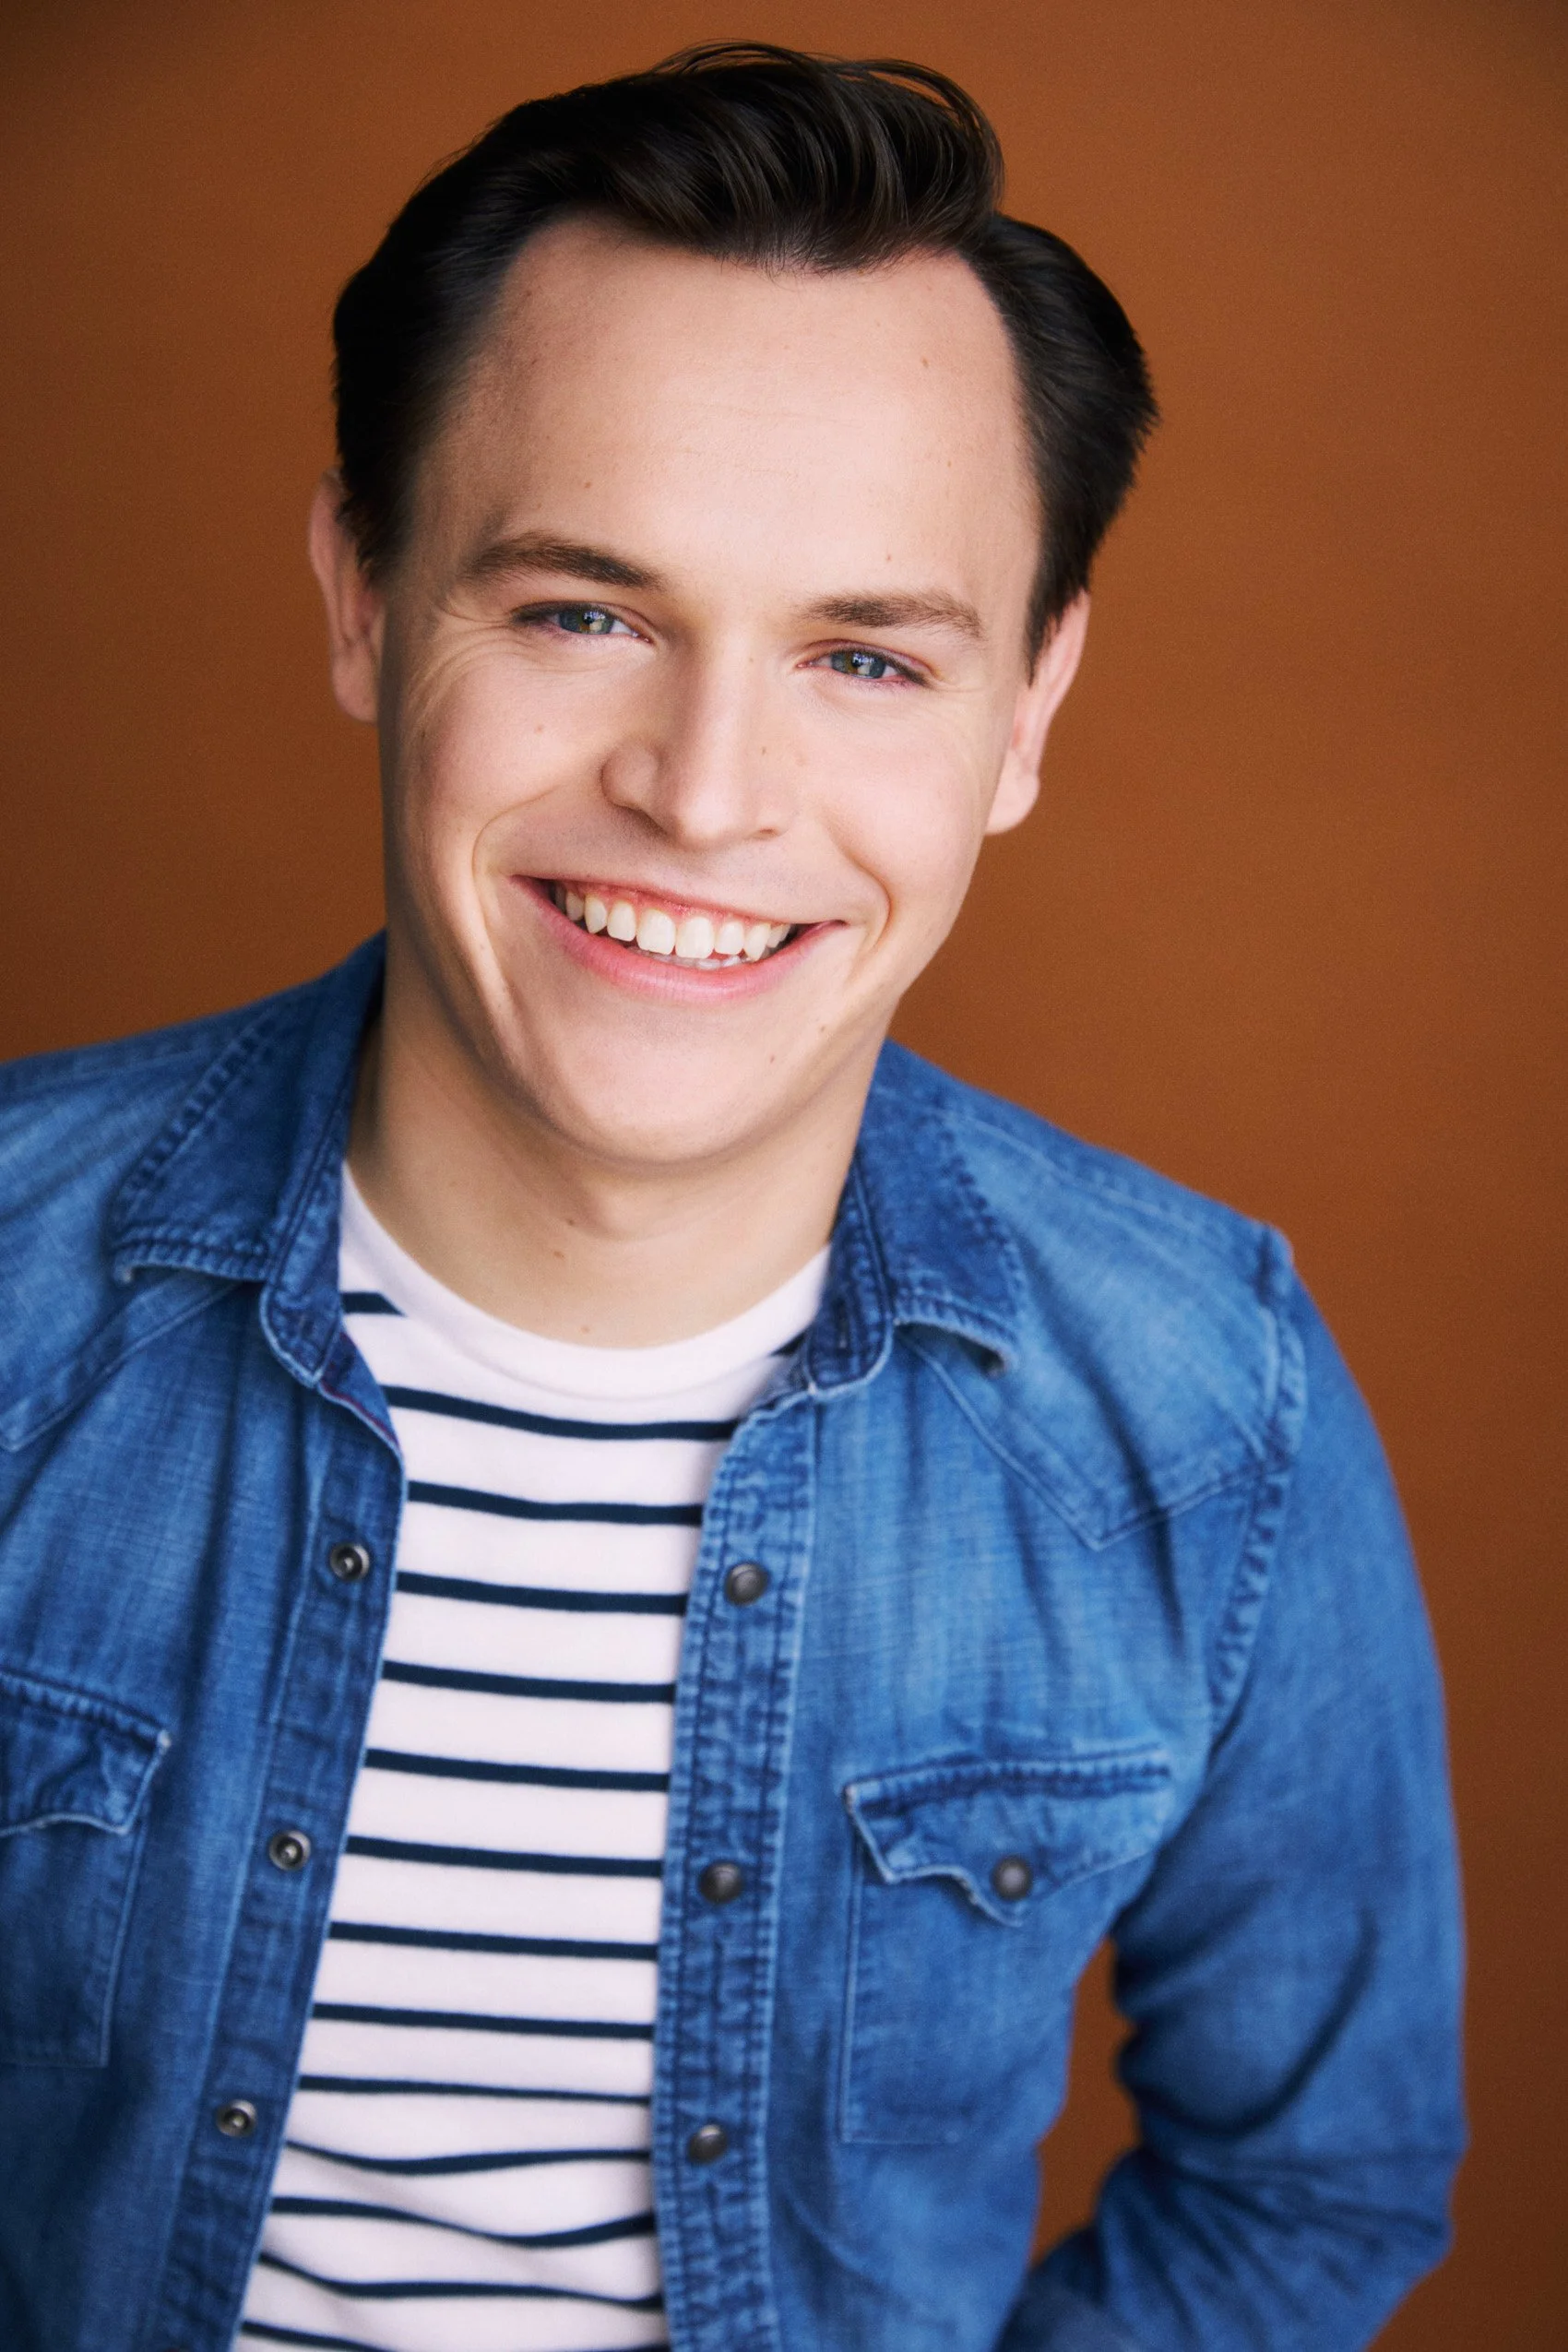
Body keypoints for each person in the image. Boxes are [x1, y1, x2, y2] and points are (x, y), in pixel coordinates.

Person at [0, 42, 1462, 2352]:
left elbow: (1310, 2183)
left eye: (864, 657)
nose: (703, 795)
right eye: (582, 614)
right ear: (364, 597)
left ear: (1026, 711)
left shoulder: (1211, 1412)